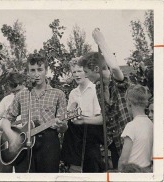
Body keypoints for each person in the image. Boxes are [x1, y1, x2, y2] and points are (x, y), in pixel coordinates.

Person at [1, 53, 68, 173]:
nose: (36, 74)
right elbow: (6, 119)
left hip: (49, 143)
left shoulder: (58, 94)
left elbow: (63, 127)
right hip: (24, 144)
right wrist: (11, 136)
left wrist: (61, 125)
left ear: (46, 71)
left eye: (40, 69)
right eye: (32, 70)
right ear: (28, 72)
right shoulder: (21, 95)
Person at [78, 28, 132, 170]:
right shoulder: (98, 87)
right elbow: (105, 118)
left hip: (130, 141)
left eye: (86, 72)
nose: (86, 76)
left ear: (96, 69)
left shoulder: (119, 81)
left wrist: (100, 42)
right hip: (114, 143)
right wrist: (84, 119)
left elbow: (114, 67)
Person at [61, 57, 104, 172]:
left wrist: (83, 118)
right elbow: (67, 117)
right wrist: (70, 111)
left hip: (92, 135)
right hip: (75, 137)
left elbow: (101, 118)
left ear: (85, 71)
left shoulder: (94, 89)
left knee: (92, 168)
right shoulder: (73, 93)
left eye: (79, 71)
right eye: (74, 72)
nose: (76, 75)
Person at [0, 72, 25, 172]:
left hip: (25, 142)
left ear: (24, 84)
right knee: (6, 173)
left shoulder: (31, 98)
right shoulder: (7, 99)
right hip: (8, 142)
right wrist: (4, 127)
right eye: (14, 92)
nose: (16, 94)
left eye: (18, 91)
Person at [118, 85, 153, 172]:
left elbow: (124, 160)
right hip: (147, 170)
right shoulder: (151, 123)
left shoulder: (131, 126)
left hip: (133, 172)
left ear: (129, 103)